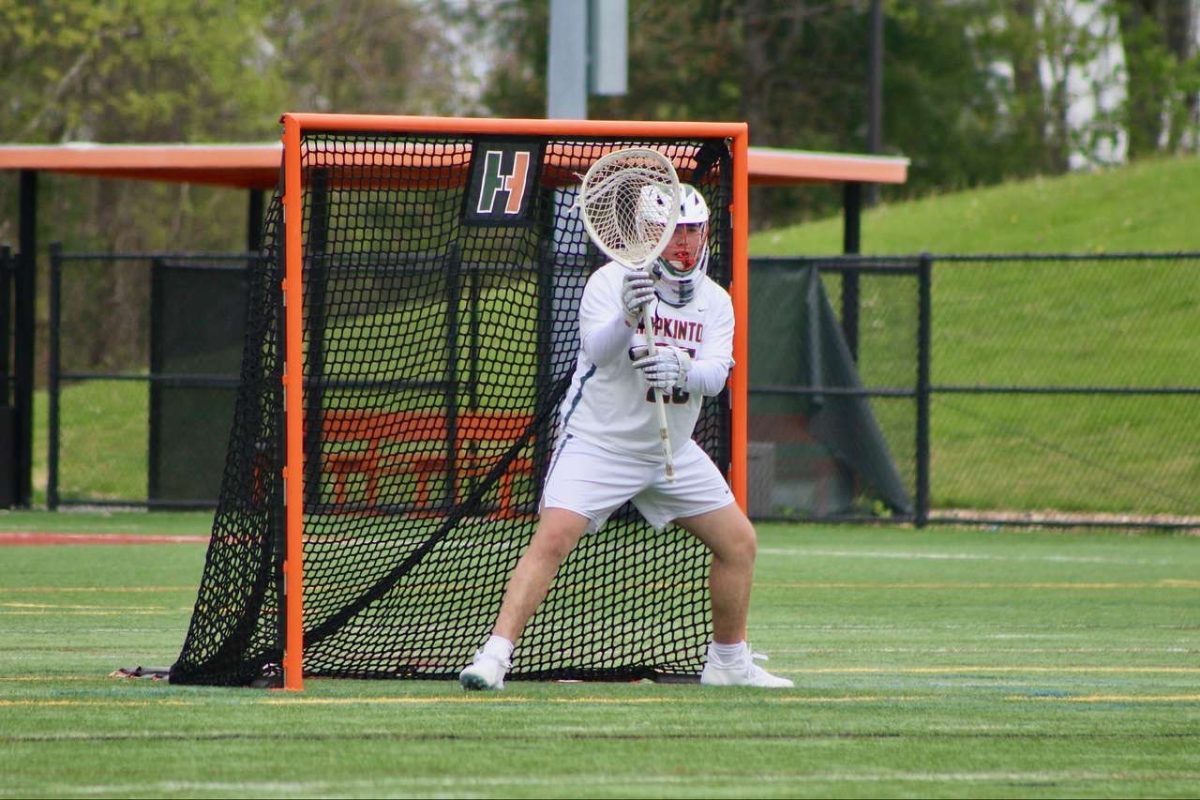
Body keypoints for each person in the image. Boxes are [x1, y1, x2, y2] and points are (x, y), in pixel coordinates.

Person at [459, 184, 792, 690]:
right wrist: (628, 317)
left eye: (693, 230)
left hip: (668, 450)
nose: (685, 242)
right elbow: (598, 350)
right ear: (647, 235)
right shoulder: (609, 281)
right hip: (599, 442)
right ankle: (494, 657)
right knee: (553, 538)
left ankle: (728, 663)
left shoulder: (715, 301)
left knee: (739, 543)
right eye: (672, 231)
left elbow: (717, 375)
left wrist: (680, 367)